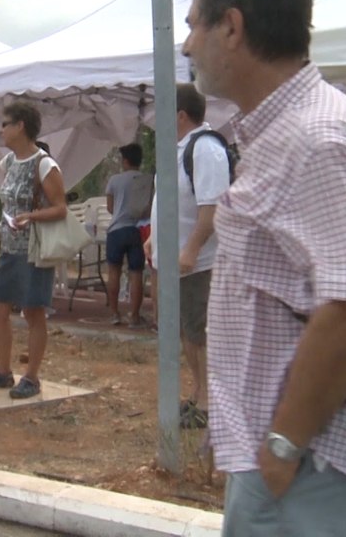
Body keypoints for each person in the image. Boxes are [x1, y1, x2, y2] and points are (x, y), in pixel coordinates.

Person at [182, 0, 346, 533]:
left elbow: (344, 308)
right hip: (281, 454)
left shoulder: (316, 139)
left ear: (231, 26)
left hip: (306, 464)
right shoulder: (284, 131)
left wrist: (283, 446)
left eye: (193, 26)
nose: (187, 46)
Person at [144, 83, 229, 430]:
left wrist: (191, 250)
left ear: (180, 114)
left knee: (199, 332)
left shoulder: (205, 149)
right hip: (173, 262)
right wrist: (154, 239)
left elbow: (212, 208)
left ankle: (209, 403)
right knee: (184, 330)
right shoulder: (177, 150)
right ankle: (199, 393)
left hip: (196, 263)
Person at [0, 102, 67, 399]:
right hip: (10, 247)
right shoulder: (9, 161)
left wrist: (31, 216)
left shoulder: (44, 165)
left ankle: (32, 377)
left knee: (33, 311)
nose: (1, 130)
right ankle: (2, 371)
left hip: (34, 249)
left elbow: (60, 208)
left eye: (5, 124)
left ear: (20, 125)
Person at [104, 143, 152, 327]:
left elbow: (110, 207)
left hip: (116, 229)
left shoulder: (115, 180)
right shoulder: (147, 180)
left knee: (114, 271)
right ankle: (134, 316)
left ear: (124, 161)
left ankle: (114, 313)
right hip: (137, 229)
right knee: (136, 273)